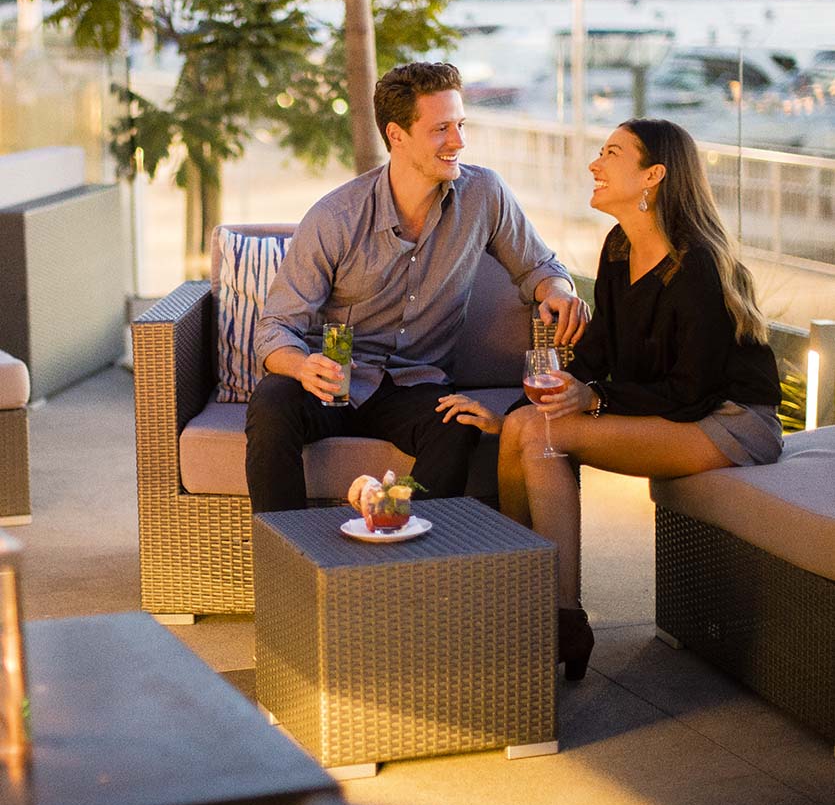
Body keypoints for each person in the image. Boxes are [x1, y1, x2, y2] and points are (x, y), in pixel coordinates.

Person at [437, 118, 783, 681]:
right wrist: (541, 396)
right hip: (679, 411)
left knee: (543, 432)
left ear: (653, 175)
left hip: (730, 421)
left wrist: (590, 400)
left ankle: (552, 613)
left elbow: (690, 393)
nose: (594, 165)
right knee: (527, 426)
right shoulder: (620, 248)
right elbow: (597, 356)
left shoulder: (696, 266)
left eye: (611, 153)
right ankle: (538, 606)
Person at [245, 62, 589, 514]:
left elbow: (539, 266)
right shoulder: (336, 217)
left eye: (461, 125)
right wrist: (301, 366)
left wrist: (557, 291)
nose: (459, 141)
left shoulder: (484, 194)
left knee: (456, 425)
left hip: (416, 382)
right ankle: (284, 557)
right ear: (397, 135)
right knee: (273, 401)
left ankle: (400, 534)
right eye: (441, 128)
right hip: (335, 378)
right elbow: (275, 328)